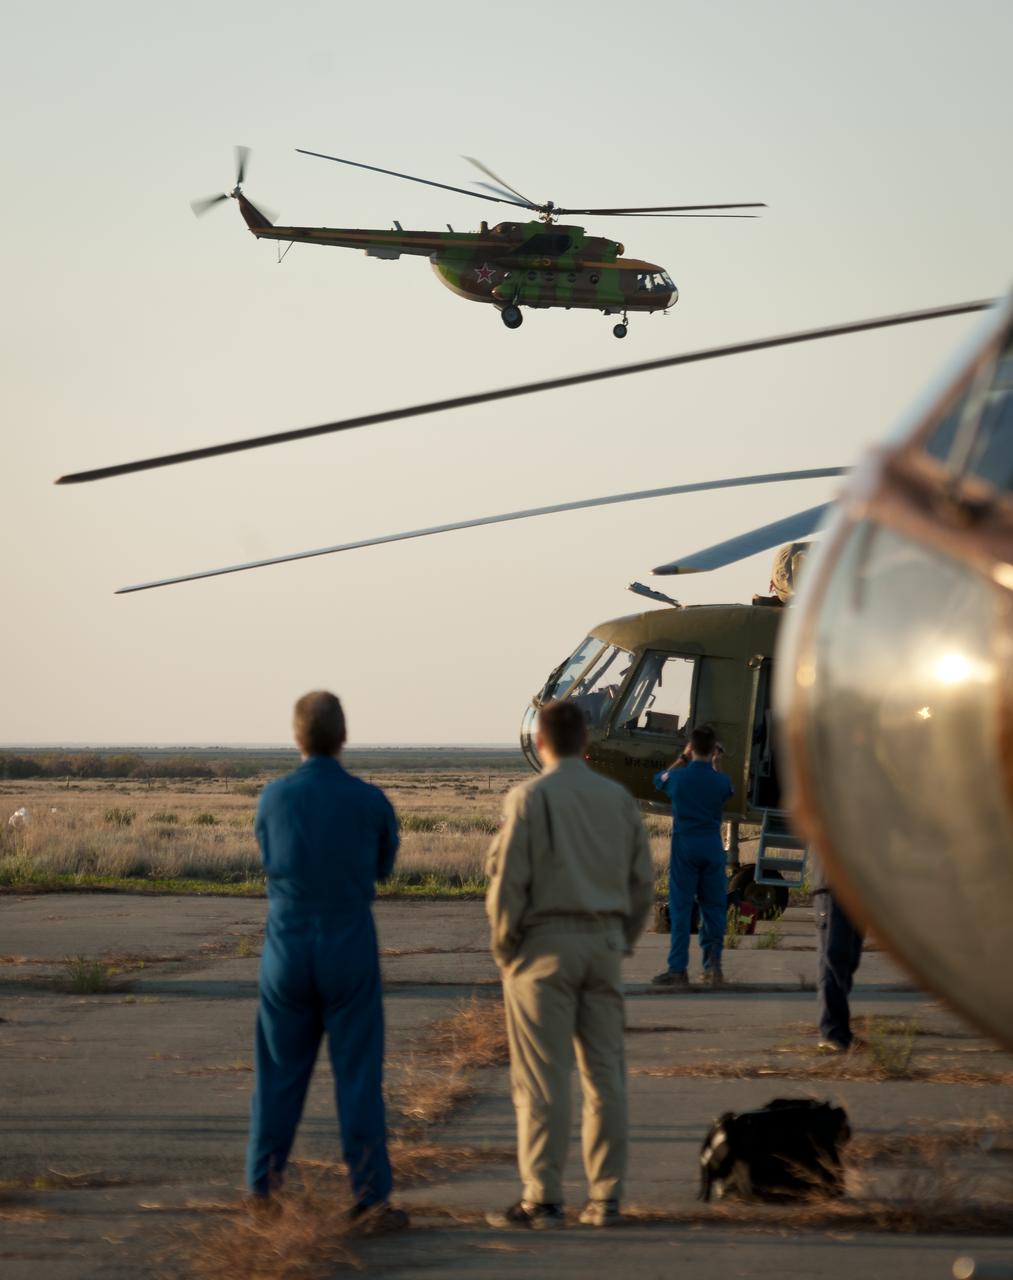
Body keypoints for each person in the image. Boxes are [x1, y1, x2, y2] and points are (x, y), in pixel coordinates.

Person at [484, 699, 654, 1230]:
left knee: (543, 1079)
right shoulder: (618, 800)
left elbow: (508, 883)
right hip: (603, 944)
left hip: (544, 947)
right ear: (587, 742)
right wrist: (619, 939)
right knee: (606, 1077)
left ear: (540, 742)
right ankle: (605, 1200)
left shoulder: (528, 798)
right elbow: (643, 883)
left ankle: (543, 1197)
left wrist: (506, 950)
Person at [246, 691, 406, 1230]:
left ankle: (263, 1188)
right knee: (358, 1075)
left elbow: (270, 858)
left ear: (297, 738)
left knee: (277, 1074)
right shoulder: (370, 800)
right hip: (348, 943)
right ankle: (369, 1196)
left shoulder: (272, 799)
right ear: (343, 736)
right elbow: (383, 868)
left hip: (286, 949)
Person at [651, 724, 734, 988]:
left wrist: (682, 758)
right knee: (713, 909)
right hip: (711, 846)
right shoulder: (721, 780)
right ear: (713, 750)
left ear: (691, 747)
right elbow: (727, 792)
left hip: (685, 847)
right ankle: (713, 969)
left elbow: (659, 779)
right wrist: (716, 763)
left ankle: (677, 969)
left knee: (681, 908)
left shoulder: (678, 778)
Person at [810, 848, 865, 1052]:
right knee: (833, 958)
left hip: (857, 885)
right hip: (833, 883)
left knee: (848, 959)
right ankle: (831, 1032)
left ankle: (841, 1031)